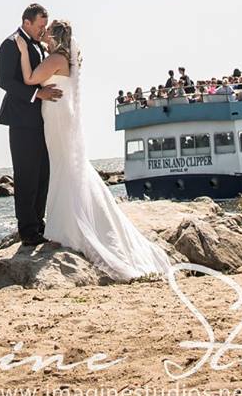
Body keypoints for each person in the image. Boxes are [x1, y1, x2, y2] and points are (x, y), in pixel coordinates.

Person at [35, 18, 174, 281]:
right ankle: (66, 221)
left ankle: (66, 226)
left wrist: (23, 50)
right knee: (66, 165)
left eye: (48, 29)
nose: (44, 32)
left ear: (55, 35)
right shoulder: (58, 56)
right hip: (59, 113)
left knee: (64, 165)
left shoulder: (55, 58)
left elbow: (31, 77)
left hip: (57, 115)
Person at [0, 4, 62, 247]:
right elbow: (4, 81)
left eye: (45, 26)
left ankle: (38, 223)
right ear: (27, 23)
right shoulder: (10, 44)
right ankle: (27, 230)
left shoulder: (37, 44)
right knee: (26, 174)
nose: (42, 30)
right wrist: (37, 95)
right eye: (40, 26)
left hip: (41, 118)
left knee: (43, 172)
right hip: (21, 118)